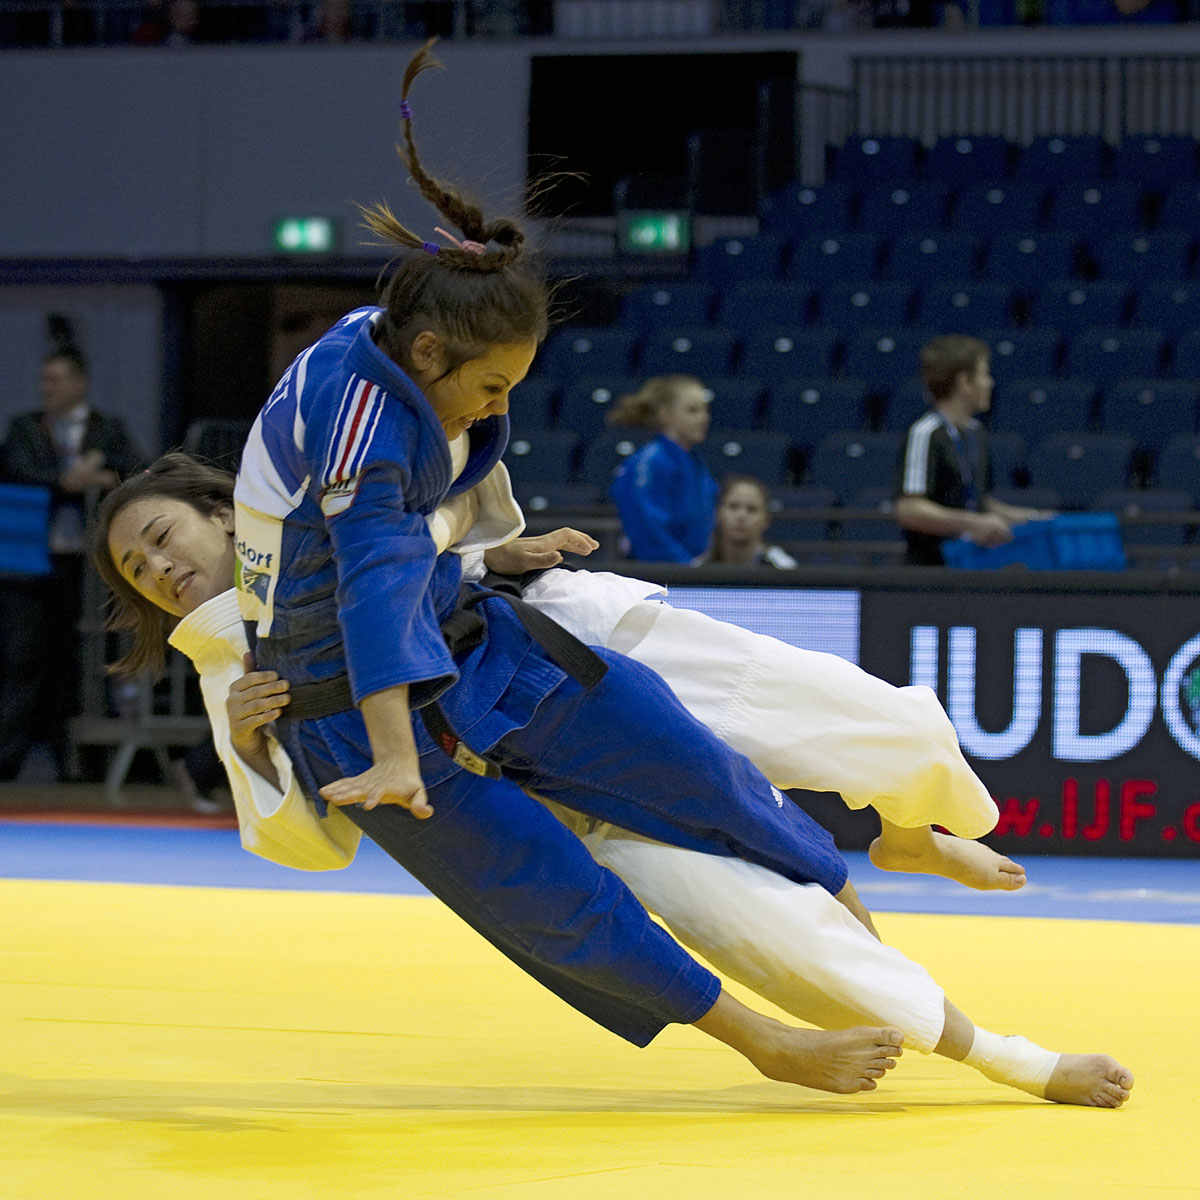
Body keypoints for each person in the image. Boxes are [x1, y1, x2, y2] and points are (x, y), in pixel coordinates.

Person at [96, 453, 1134, 1108]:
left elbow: (437, 518)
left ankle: (908, 833)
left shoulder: (304, 507)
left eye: (160, 536)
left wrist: (497, 556)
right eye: (138, 572)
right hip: (527, 777)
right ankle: (1008, 1058)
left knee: (881, 723)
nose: (159, 568)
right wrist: (252, 745)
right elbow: (303, 842)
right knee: (769, 927)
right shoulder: (229, 668)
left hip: (577, 643)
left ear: (217, 511)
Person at [0, 344, 142, 780]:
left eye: (57, 379)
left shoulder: (107, 430)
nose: (48, 388)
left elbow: (138, 467)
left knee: (80, 661)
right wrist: (68, 481)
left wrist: (101, 471)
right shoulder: (26, 426)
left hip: (86, 567)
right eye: (45, 380)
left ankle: (77, 763)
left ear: (80, 383)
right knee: (21, 660)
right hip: (29, 564)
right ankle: (7, 759)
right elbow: (17, 467)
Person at [895, 335, 1045, 566]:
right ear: (964, 382)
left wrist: (1033, 519)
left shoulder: (976, 433)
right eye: (984, 375)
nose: (990, 383)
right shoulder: (925, 433)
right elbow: (909, 509)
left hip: (972, 567)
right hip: (931, 571)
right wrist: (972, 523)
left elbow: (978, 503)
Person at [608, 375, 717, 563]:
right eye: (692, 410)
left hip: (693, 567)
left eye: (705, 410)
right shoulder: (651, 462)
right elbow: (647, 529)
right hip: (660, 571)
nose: (704, 418)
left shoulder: (696, 463)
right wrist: (685, 567)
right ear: (665, 414)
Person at [695, 474, 798, 569]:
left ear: (766, 520)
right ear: (718, 513)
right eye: (733, 506)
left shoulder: (784, 569)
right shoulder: (698, 570)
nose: (741, 516)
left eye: (752, 509)